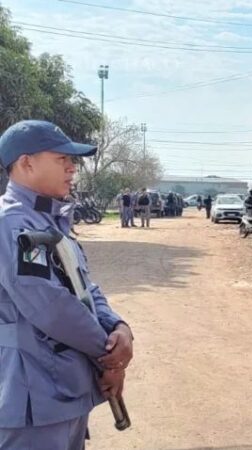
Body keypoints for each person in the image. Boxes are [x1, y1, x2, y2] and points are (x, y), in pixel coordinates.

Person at [0, 120, 134, 449]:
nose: (73, 168)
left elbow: (83, 286)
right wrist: (110, 357)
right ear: (26, 163)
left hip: (61, 390)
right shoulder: (13, 224)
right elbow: (49, 304)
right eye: (62, 159)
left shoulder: (48, 220)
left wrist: (118, 325)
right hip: (32, 396)